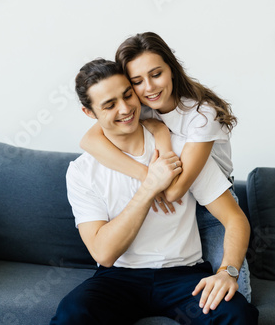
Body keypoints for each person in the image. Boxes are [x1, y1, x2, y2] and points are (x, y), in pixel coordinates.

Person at [50, 59, 258, 324]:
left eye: (128, 95)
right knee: (73, 313)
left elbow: (235, 219)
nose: (125, 109)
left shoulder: (184, 149)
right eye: (110, 105)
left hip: (184, 276)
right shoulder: (82, 171)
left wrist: (227, 272)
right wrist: (149, 187)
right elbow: (104, 253)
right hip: (119, 278)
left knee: (237, 314)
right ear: (89, 113)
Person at [80, 32, 251, 301]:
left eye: (156, 74)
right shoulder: (141, 107)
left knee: (233, 294)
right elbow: (89, 140)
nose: (148, 88)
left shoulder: (201, 116)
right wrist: (148, 174)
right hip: (172, 197)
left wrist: (162, 147)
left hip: (210, 203)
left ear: (172, 69)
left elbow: (172, 193)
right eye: (137, 81)